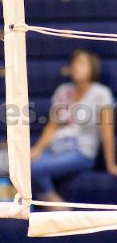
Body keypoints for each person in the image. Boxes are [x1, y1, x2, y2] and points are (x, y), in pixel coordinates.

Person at [31, 48, 117, 207]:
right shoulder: (63, 91)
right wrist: (37, 149)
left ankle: (56, 206)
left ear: (93, 68)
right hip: (57, 148)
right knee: (24, 165)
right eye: (74, 63)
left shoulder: (101, 93)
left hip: (81, 151)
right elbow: (52, 126)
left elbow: (107, 132)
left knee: (35, 168)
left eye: (82, 63)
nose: (76, 67)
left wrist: (111, 165)